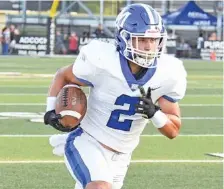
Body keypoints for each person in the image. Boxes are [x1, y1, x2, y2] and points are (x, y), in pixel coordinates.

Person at [44, 3, 187, 189]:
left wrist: (155, 114)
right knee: (100, 186)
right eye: (141, 39)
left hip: (122, 157)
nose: (148, 46)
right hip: (87, 141)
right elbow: (63, 75)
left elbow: (173, 130)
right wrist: (50, 110)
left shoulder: (168, 73)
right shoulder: (103, 61)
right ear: (124, 38)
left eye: (153, 40)